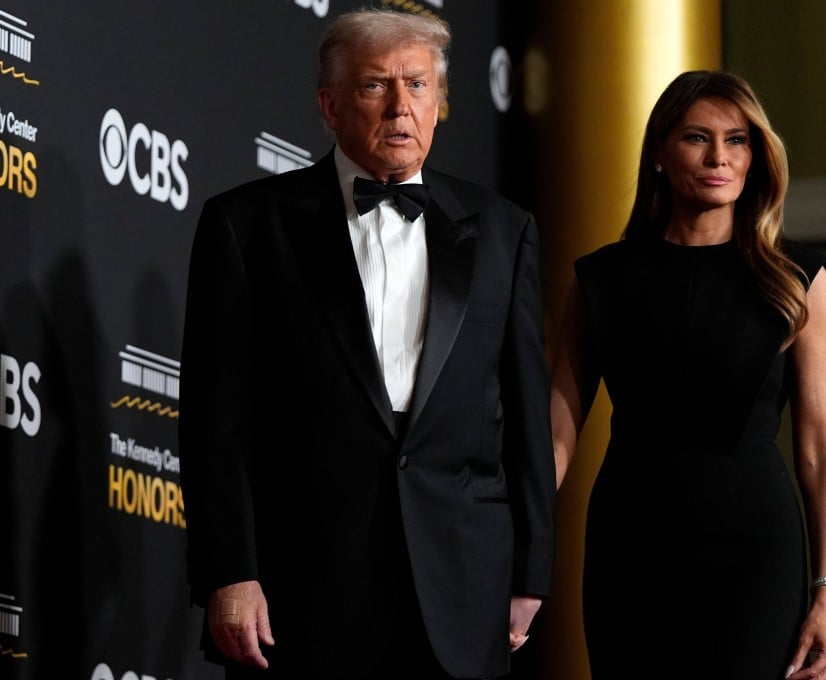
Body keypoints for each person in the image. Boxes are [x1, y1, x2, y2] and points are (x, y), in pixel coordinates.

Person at [178, 8, 556, 679]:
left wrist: (530, 573)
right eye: (375, 86)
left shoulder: (505, 230)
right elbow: (215, 422)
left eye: (418, 86)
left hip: (464, 581)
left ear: (440, 104)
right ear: (329, 105)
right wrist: (229, 574)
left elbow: (527, 419)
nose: (400, 106)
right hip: (304, 586)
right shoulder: (248, 226)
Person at [549, 70, 826, 680]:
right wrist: (513, 549)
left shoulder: (796, 279)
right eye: (697, 138)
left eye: (737, 140)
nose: (719, 157)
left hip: (754, 549)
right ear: (659, 151)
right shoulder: (602, 279)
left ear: (755, 157)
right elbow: (557, 434)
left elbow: (821, 450)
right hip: (629, 542)